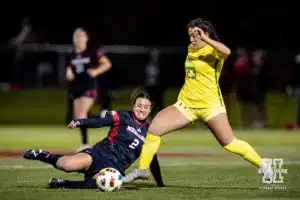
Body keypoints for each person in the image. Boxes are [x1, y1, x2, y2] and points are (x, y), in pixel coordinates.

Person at [123, 18, 273, 183]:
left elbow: (227, 52)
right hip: (186, 105)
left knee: (229, 143)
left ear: (205, 34)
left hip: (210, 106)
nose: (192, 39)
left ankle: (262, 164)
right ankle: (143, 170)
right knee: (154, 129)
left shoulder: (213, 50)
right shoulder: (191, 48)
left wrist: (207, 39)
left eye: (196, 35)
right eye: (190, 36)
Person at [23, 88, 165, 189]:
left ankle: (63, 184)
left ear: (150, 109)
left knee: (104, 183)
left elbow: (152, 159)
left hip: (116, 169)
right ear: (133, 105)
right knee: (66, 165)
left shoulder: (150, 133)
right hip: (100, 154)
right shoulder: (123, 116)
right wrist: (81, 122)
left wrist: (160, 183)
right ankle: (42, 154)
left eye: (146, 107)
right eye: (139, 105)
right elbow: (100, 122)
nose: (142, 109)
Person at [66, 28, 112, 150]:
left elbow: (107, 64)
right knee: (79, 118)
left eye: (81, 36)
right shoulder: (72, 54)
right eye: (77, 36)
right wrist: (69, 72)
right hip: (77, 87)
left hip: (89, 85)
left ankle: (86, 143)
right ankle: (103, 117)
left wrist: (96, 71)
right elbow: (70, 67)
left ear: (86, 38)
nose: (79, 39)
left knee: (82, 116)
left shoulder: (92, 51)